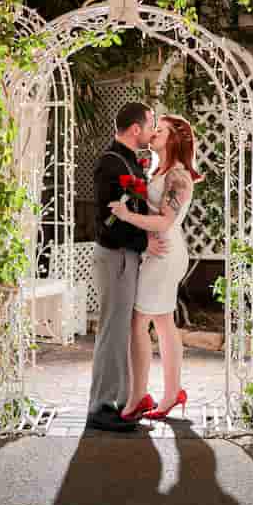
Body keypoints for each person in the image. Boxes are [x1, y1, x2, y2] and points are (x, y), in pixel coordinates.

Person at [108, 114, 202, 422]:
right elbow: (155, 209)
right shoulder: (158, 169)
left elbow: (165, 220)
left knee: (139, 322)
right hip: (158, 250)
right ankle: (172, 394)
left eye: (161, 129)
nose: (155, 132)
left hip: (165, 254)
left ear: (175, 138)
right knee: (163, 322)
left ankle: (138, 397)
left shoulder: (179, 176)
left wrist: (126, 215)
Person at [87, 102, 168, 432]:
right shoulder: (110, 163)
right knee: (112, 330)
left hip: (126, 256)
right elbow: (109, 220)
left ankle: (118, 401)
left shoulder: (129, 161)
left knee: (120, 330)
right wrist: (143, 243)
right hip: (116, 256)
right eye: (150, 124)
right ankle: (102, 406)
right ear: (136, 129)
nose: (153, 129)